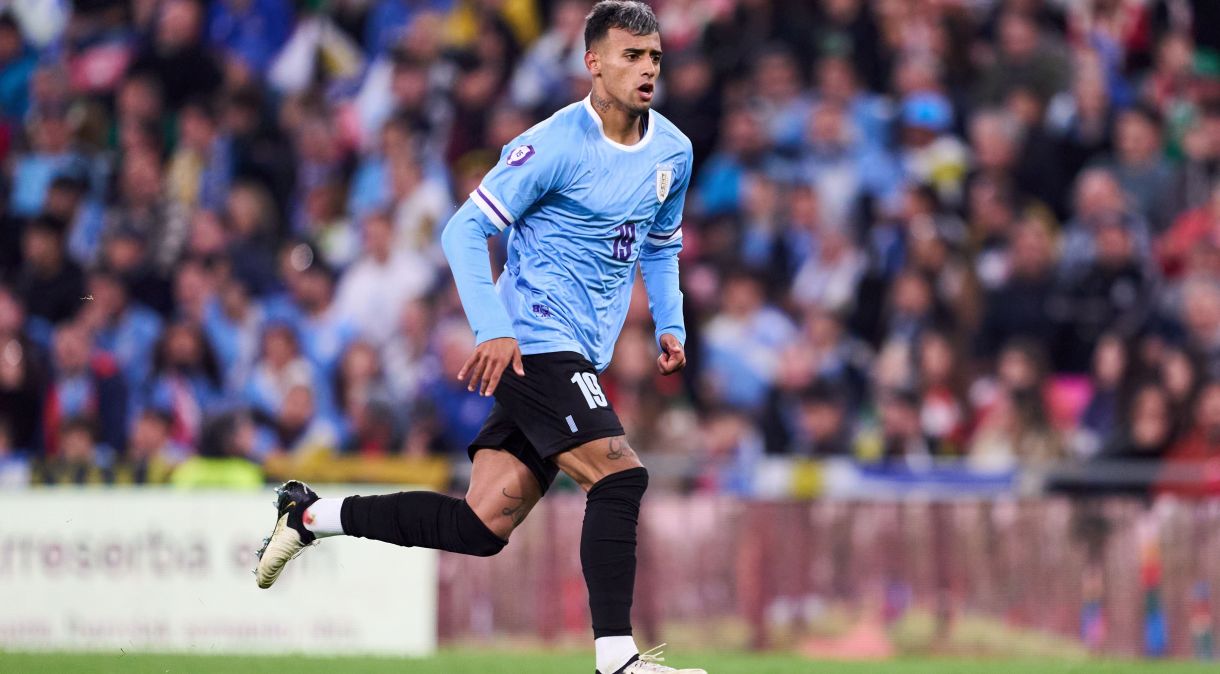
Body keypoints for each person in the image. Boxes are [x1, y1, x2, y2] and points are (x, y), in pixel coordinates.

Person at [254, 4, 704, 673]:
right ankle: (617, 659)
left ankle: (310, 517)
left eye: (655, 58)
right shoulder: (552, 145)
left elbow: (660, 246)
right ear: (593, 62)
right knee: (619, 477)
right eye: (631, 56)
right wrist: (492, 328)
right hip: (533, 340)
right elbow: (463, 231)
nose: (646, 69)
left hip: (581, 350)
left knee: (482, 526)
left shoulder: (674, 149)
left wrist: (670, 321)